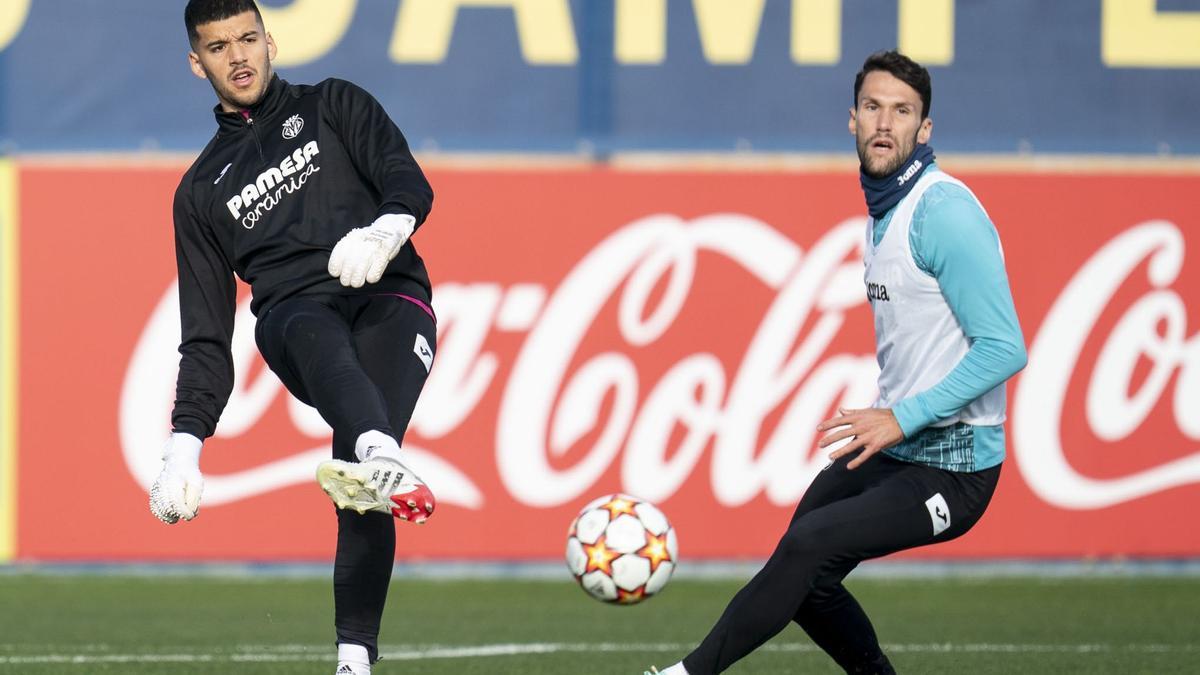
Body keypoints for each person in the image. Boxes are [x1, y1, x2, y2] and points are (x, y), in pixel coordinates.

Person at [645, 50, 1028, 675]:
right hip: (899, 450)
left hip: (954, 470)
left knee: (808, 546)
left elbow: (1005, 348)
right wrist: (899, 425)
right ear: (851, 120)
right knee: (803, 575)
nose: (885, 123)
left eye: (902, 111)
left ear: (924, 129)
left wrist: (901, 417)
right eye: (873, 107)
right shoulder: (885, 214)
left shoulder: (943, 212)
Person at [147, 2, 439, 673]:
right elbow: (206, 336)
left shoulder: (334, 103)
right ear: (198, 64)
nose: (239, 56)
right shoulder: (199, 193)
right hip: (293, 320)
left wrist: (388, 228)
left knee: (362, 482)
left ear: (271, 40)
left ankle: (353, 660)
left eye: (248, 38)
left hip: (389, 294)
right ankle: (378, 449)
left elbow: (404, 175)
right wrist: (183, 447)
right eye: (219, 48)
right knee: (313, 333)